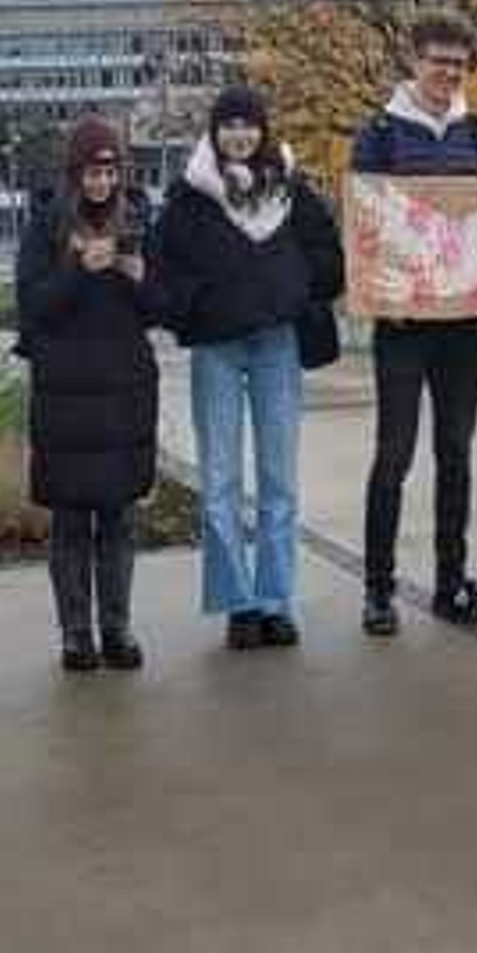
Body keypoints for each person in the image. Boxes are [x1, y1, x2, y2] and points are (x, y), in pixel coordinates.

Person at [150, 86, 344, 651]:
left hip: (277, 344)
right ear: (215, 132)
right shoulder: (190, 198)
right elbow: (163, 269)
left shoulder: (289, 188)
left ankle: (277, 601)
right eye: (229, 125)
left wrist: (299, 289)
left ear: (263, 130)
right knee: (220, 482)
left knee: (279, 480)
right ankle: (238, 603)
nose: (240, 134)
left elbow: (327, 253)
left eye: (249, 124)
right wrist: (200, 302)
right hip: (218, 348)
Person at [350, 15, 477, 634]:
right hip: (404, 322)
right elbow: (364, 221)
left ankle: (451, 583)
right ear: (415, 60)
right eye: (439, 60)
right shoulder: (382, 133)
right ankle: (378, 589)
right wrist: (375, 292)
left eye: (460, 64)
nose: (449, 72)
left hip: (464, 323)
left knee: (456, 453)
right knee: (393, 454)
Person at [17, 119, 160, 673]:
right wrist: (78, 267)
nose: (100, 183)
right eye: (91, 173)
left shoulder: (142, 221)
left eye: (109, 172)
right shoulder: (45, 228)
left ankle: (117, 628)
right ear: (73, 175)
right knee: (71, 521)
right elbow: (34, 307)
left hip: (124, 389)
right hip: (66, 393)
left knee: (120, 519)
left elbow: (161, 306)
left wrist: (136, 275)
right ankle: (76, 633)